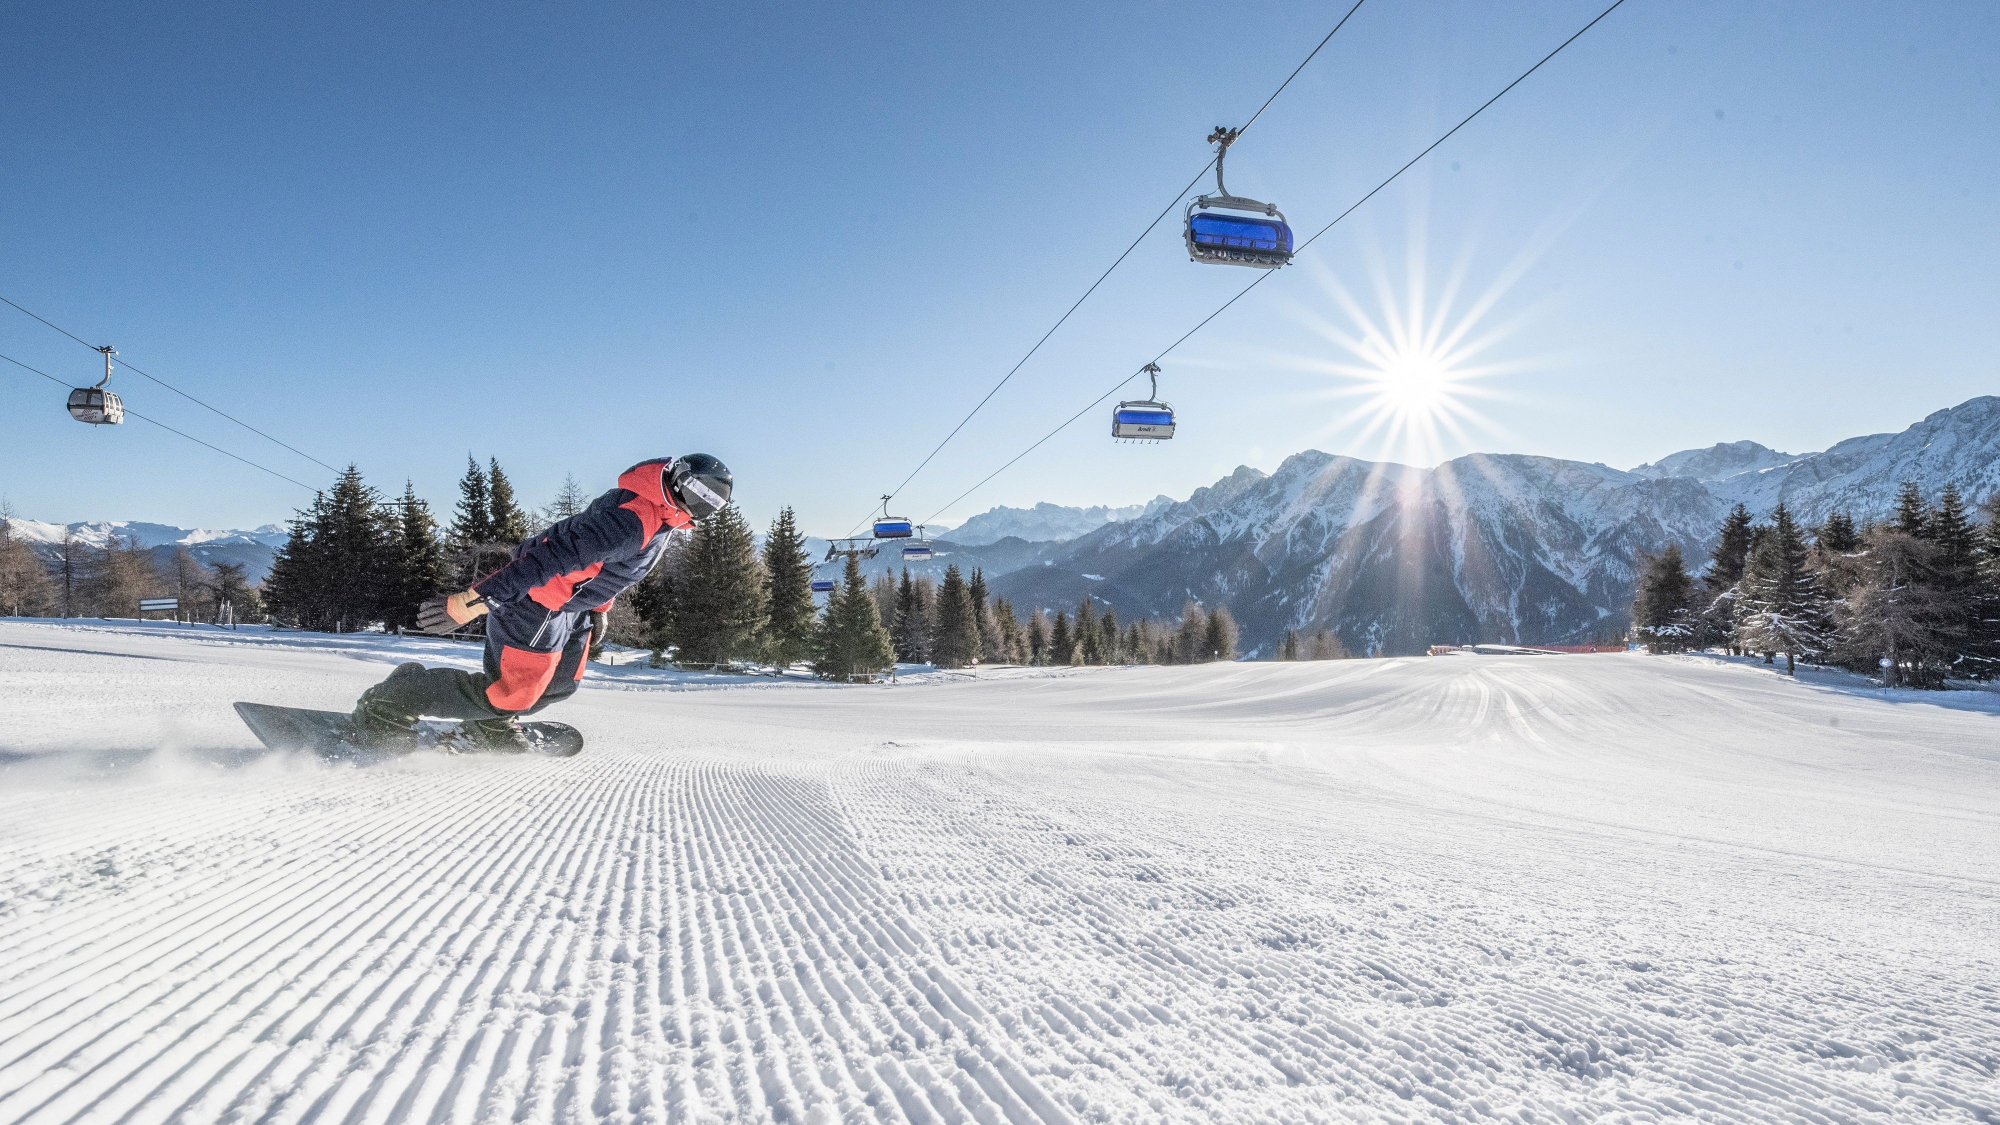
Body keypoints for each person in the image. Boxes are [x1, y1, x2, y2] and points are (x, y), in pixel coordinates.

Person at [351, 454, 732, 750]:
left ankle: (489, 724)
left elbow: (604, 569)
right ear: (676, 479)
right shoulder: (631, 521)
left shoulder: (661, 515)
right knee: (515, 690)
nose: (697, 506)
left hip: (572, 608)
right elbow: (547, 559)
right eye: (695, 494)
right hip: (538, 602)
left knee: (560, 685)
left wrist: (599, 608)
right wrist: (472, 602)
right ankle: (393, 701)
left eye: (709, 505)